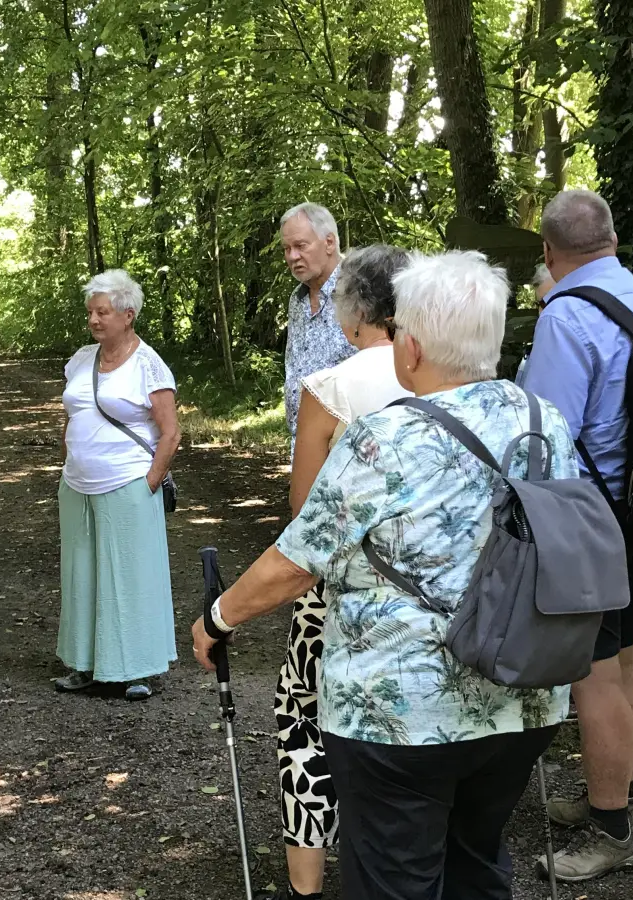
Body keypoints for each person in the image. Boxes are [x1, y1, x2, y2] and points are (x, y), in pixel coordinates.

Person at [191, 250, 575, 900]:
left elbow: (298, 560)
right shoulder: (544, 422)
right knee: (476, 865)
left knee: (395, 880)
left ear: (413, 346)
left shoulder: (382, 438)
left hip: (401, 717)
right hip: (523, 696)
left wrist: (217, 618)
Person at [518, 189, 633, 881]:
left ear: (549, 252)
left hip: (592, 515)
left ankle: (612, 832)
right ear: (611, 238)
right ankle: (619, 797)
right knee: (625, 657)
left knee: (593, 672)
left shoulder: (566, 314)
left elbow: (546, 432)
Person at [261, 245, 413, 900]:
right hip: (435, 586)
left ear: (352, 313)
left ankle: (308, 885)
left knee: (303, 717)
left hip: (340, 591)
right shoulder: (451, 377)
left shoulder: (330, 389)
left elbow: (306, 516)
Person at [55, 269, 180, 701]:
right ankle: (85, 665)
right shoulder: (81, 358)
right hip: (77, 484)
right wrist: (70, 461)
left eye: (102, 312)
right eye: (90, 312)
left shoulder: (148, 364)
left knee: (130, 577)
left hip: (128, 482)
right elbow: (72, 414)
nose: (93, 319)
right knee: (81, 575)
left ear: (128, 315)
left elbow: (171, 433)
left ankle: (136, 669)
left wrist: (149, 482)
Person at [281, 202, 356, 441]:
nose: (292, 256)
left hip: (351, 443)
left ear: (329, 243)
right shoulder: (297, 299)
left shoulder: (359, 290)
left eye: (300, 246)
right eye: (287, 249)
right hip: (302, 441)